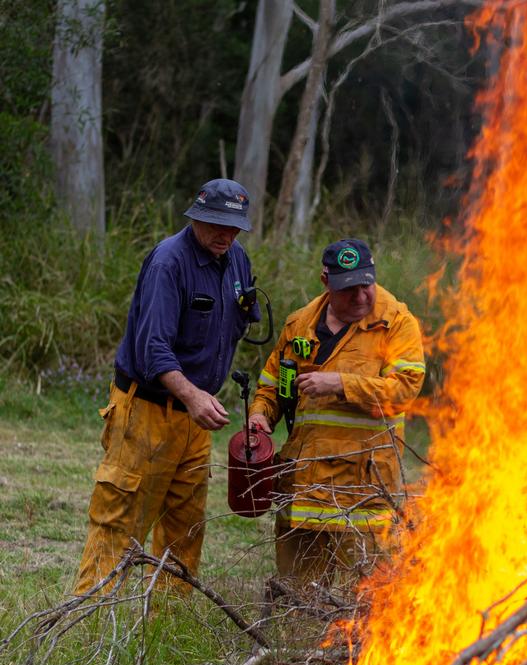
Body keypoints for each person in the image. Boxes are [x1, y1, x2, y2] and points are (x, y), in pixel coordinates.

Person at [75, 179, 258, 595]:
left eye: (233, 227)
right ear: (196, 217)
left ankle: (167, 626)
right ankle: (88, 625)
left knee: (186, 529)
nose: (224, 234)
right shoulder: (168, 263)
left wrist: (203, 392)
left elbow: (242, 319)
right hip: (146, 412)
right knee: (119, 522)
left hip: (195, 421)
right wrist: (192, 394)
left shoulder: (237, 260)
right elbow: (152, 347)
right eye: (215, 223)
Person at [248, 238, 425, 588]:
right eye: (349, 289)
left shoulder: (397, 324)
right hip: (304, 484)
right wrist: (260, 416)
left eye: (366, 285)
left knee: (367, 594)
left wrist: (341, 383)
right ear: (325, 281)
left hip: (362, 486)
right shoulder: (299, 325)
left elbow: (403, 391)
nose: (361, 297)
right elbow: (273, 386)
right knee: (299, 593)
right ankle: (294, 641)